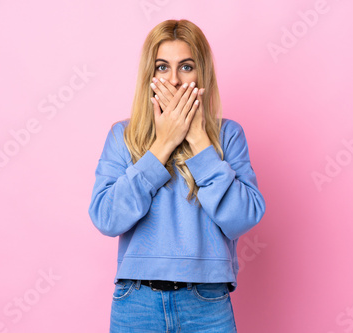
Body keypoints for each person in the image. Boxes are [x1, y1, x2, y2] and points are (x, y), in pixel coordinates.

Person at [88, 19, 266, 332]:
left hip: (208, 302)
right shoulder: (123, 136)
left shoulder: (228, 135)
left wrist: (199, 140)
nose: (173, 80)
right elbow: (106, 218)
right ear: (149, 74)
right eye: (162, 67)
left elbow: (243, 218)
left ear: (202, 73)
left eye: (185, 67)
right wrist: (163, 144)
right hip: (137, 301)